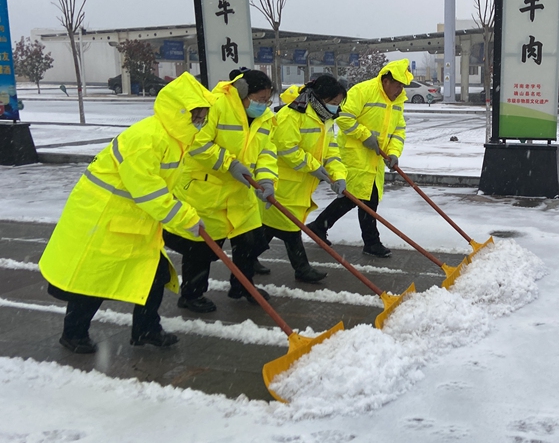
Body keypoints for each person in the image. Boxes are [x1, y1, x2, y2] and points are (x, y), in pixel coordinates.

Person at [38, 72, 214, 354]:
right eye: (197, 114)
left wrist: (186, 212)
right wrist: (185, 218)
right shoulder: (146, 139)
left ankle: (146, 330)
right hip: (105, 221)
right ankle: (73, 334)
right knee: (95, 280)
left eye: (203, 114)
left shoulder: (175, 139)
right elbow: (149, 191)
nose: (201, 120)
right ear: (180, 111)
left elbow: (166, 187)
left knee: (153, 275)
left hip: (135, 221)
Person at [163, 68, 278, 313]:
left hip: (241, 192)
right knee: (202, 249)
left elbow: (267, 152)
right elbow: (197, 144)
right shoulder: (214, 106)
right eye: (258, 99)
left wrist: (267, 181)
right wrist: (229, 162)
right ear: (243, 93)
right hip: (207, 190)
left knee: (249, 244)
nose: (262, 105)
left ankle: (243, 286)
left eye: (267, 100)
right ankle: (192, 295)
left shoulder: (265, 118)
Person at [305, 59, 412, 258]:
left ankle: (320, 226)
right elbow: (344, 117)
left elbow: (399, 129)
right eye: (398, 85)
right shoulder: (363, 91)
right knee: (360, 199)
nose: (400, 90)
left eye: (403, 86)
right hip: (354, 156)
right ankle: (371, 242)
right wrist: (365, 135)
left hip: (376, 159)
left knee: (358, 199)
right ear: (386, 80)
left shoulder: (398, 101)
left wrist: (394, 153)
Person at [259, 74, 347, 283]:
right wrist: (314, 167)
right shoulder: (292, 115)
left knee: (269, 229)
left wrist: (338, 175)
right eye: (334, 103)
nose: (336, 107)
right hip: (283, 184)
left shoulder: (325, 118)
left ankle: (246, 260)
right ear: (321, 98)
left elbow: (331, 151)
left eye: (338, 104)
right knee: (290, 230)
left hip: (301, 187)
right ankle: (302, 269)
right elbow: (285, 148)